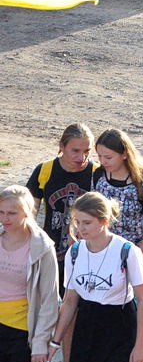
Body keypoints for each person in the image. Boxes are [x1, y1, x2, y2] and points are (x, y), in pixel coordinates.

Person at [49, 192, 143, 362]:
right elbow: (70, 300)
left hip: (118, 327)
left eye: (86, 223)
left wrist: (140, 346)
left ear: (104, 221)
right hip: (87, 327)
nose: (80, 229)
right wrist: (54, 341)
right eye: (77, 222)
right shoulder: (74, 252)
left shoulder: (127, 251)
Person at [92, 128, 143, 362]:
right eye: (99, 156)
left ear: (124, 153)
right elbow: (93, 211)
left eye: (107, 156)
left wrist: (129, 262)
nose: (102, 161)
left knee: (141, 314)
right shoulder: (99, 176)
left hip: (140, 255)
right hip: (107, 254)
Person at [0, 186, 60, 362]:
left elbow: (49, 299)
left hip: (22, 333)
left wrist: (40, 343)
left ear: (27, 213)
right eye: (1, 212)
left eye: (12, 213)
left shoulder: (42, 248)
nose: (5, 219)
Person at [26, 123, 97, 289]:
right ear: (62, 146)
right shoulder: (45, 170)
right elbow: (30, 211)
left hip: (87, 252)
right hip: (51, 251)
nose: (82, 157)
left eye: (87, 151)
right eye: (76, 150)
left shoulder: (96, 173)